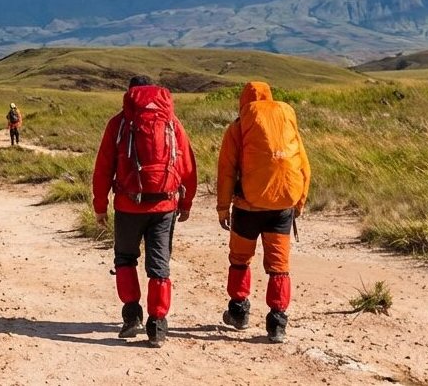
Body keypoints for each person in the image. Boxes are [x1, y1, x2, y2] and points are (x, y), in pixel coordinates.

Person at [92, 76, 198, 348]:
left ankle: (131, 317)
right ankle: (157, 325)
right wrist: (186, 203)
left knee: (125, 258)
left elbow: (103, 167)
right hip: (164, 205)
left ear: (129, 94)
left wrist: (100, 205)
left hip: (128, 205)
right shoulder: (171, 123)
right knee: (159, 265)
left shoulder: (119, 123)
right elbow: (187, 165)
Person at [216, 81, 312, 343]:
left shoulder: (238, 127)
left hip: (247, 207)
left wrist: (223, 207)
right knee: (279, 266)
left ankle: (239, 312)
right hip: (282, 206)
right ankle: (277, 323)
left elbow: (226, 171)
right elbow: (303, 165)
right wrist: (299, 201)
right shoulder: (287, 122)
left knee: (240, 259)